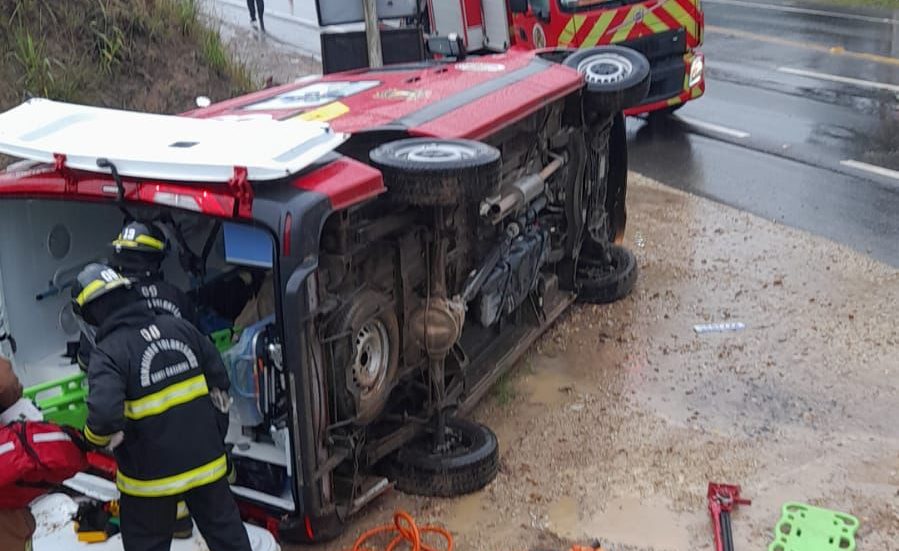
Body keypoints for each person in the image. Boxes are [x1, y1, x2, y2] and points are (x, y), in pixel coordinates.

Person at [72, 264, 250, 551]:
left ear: (91, 314)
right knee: (229, 539)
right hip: (207, 465)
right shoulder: (180, 328)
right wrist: (213, 435)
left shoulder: (108, 352)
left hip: (148, 482)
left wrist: (91, 441)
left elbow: (104, 417)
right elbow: (220, 383)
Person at [77, 220, 195, 372]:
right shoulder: (176, 296)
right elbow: (199, 341)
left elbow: (86, 360)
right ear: (157, 258)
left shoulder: (108, 302)